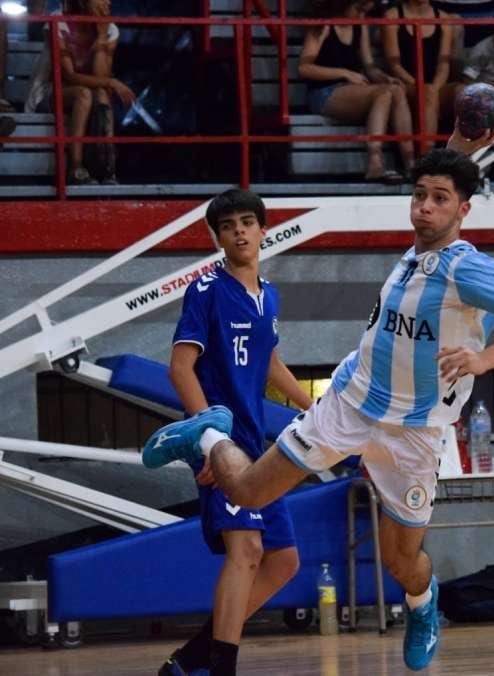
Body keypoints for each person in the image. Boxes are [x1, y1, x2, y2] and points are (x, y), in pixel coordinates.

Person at [141, 137, 494, 673]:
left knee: (401, 561)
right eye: (419, 196)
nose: (425, 207)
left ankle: (423, 608)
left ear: (464, 210)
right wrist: (458, 145)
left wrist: (482, 360)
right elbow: (446, 179)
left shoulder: (464, 268)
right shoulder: (417, 250)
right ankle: (209, 432)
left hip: (415, 430)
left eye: (440, 199)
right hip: (350, 402)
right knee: (247, 489)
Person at [157, 189, 313, 676]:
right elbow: (180, 369)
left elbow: (268, 361)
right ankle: (221, 667)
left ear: (264, 229)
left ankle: (189, 661)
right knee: (245, 549)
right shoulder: (205, 290)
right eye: (229, 226)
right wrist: (210, 440)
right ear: (218, 237)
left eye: (248, 221)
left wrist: (319, 407)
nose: (240, 231)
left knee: (283, 561)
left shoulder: (269, 295)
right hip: (220, 443)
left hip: (258, 445)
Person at [298, 0, 415, 183]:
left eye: (365, 12)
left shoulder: (360, 27)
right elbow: (305, 68)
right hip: (324, 91)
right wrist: (344, 73)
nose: (361, 16)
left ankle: (411, 163)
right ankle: (375, 163)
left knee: (396, 90)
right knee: (384, 93)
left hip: (354, 90)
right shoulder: (323, 26)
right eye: (359, 10)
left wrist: (384, 77)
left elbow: (369, 66)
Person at [24, 0, 135, 184]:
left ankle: (106, 168)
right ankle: (75, 167)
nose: (107, 2)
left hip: (88, 93)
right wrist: (112, 81)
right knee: (84, 93)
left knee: (99, 93)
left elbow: (100, 75)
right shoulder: (57, 21)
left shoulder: (110, 30)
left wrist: (100, 36)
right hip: (48, 93)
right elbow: (69, 75)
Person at [381, 0, 455, 153]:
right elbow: (394, 65)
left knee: (464, 91)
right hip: (407, 84)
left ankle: (470, 158)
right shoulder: (392, 16)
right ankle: (427, 158)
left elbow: (444, 64)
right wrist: (421, 86)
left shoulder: (444, 19)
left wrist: (435, 87)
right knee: (426, 92)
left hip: (436, 85)